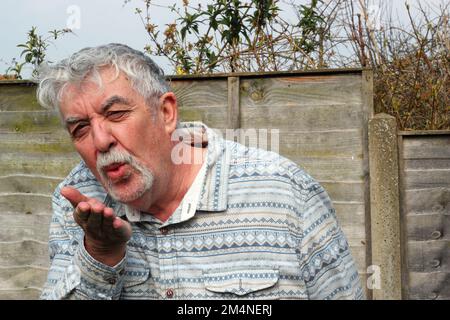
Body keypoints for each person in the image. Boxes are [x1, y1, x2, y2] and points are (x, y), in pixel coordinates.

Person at [36, 43, 364, 300]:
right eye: (80, 129)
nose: (101, 140)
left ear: (165, 112)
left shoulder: (285, 192)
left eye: (117, 114)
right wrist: (100, 254)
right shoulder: (78, 204)